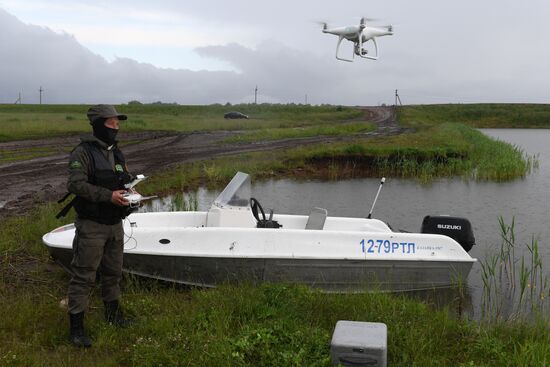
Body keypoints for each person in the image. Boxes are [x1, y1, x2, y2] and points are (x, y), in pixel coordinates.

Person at [65, 104, 135, 347]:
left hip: (115, 224)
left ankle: (113, 316)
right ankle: (76, 329)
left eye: (118, 123)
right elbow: (75, 185)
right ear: (97, 124)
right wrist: (108, 196)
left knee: (113, 273)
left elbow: (125, 178)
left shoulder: (117, 153)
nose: (116, 127)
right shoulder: (82, 152)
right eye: (111, 123)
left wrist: (132, 192)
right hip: (91, 226)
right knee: (84, 276)